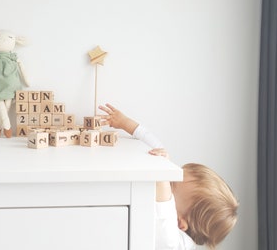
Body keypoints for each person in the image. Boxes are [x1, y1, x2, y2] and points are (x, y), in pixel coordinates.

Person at [98, 103, 239, 250]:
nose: (167, 181)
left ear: (180, 222)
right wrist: (125, 123)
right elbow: (157, 149)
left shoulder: (173, 242)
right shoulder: (171, 223)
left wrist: (163, 174)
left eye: (171, 184)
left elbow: (164, 205)